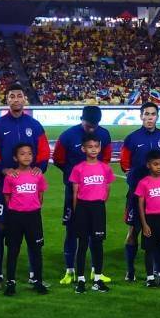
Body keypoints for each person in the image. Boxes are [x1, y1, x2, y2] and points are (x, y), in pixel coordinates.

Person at [0, 85, 50, 286]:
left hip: (28, 187)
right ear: (7, 100)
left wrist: (40, 168)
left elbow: (44, 151)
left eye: (19, 96)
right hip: (5, 186)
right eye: (11, 96)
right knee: (0, 227)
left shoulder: (34, 125)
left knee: (31, 230)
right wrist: (2, 170)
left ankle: (34, 275)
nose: (15, 99)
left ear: (24, 99)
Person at [54, 105, 112, 286]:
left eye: (95, 126)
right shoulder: (67, 136)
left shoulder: (105, 135)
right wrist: (74, 176)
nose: (92, 129)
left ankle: (96, 270)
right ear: (82, 120)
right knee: (72, 230)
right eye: (88, 126)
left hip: (95, 193)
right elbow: (58, 159)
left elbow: (106, 159)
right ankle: (70, 270)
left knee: (96, 233)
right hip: (74, 191)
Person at [119, 102, 160, 283]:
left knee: (158, 232)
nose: (150, 117)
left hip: (157, 193)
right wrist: (135, 178)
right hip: (137, 193)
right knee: (133, 230)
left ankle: (158, 270)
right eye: (146, 114)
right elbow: (124, 163)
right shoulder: (132, 138)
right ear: (141, 116)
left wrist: (156, 178)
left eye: (153, 114)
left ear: (157, 117)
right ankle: (130, 270)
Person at [66, 132, 115, 293]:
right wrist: (77, 212)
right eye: (90, 147)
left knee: (98, 243)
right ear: (83, 149)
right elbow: (75, 193)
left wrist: (99, 204)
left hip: (98, 208)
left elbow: (107, 189)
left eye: (96, 146)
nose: (93, 149)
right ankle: (81, 280)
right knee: (83, 244)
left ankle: (98, 279)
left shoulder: (105, 168)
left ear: (100, 148)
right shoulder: (78, 169)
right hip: (82, 208)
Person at [0, 142, 49, 294]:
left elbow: (40, 195)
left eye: (29, 153)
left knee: (36, 250)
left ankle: (38, 281)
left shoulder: (37, 174)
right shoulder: (11, 176)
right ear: (15, 158)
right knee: (13, 250)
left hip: (33, 217)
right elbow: (7, 197)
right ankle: (11, 283)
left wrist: (32, 207)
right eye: (22, 154)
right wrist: (16, 209)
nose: (26, 156)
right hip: (15, 217)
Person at [133, 151, 160, 288]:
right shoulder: (143, 183)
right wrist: (144, 224)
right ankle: (150, 278)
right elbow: (140, 204)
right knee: (150, 250)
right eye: (155, 164)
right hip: (150, 219)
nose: (159, 167)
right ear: (148, 165)